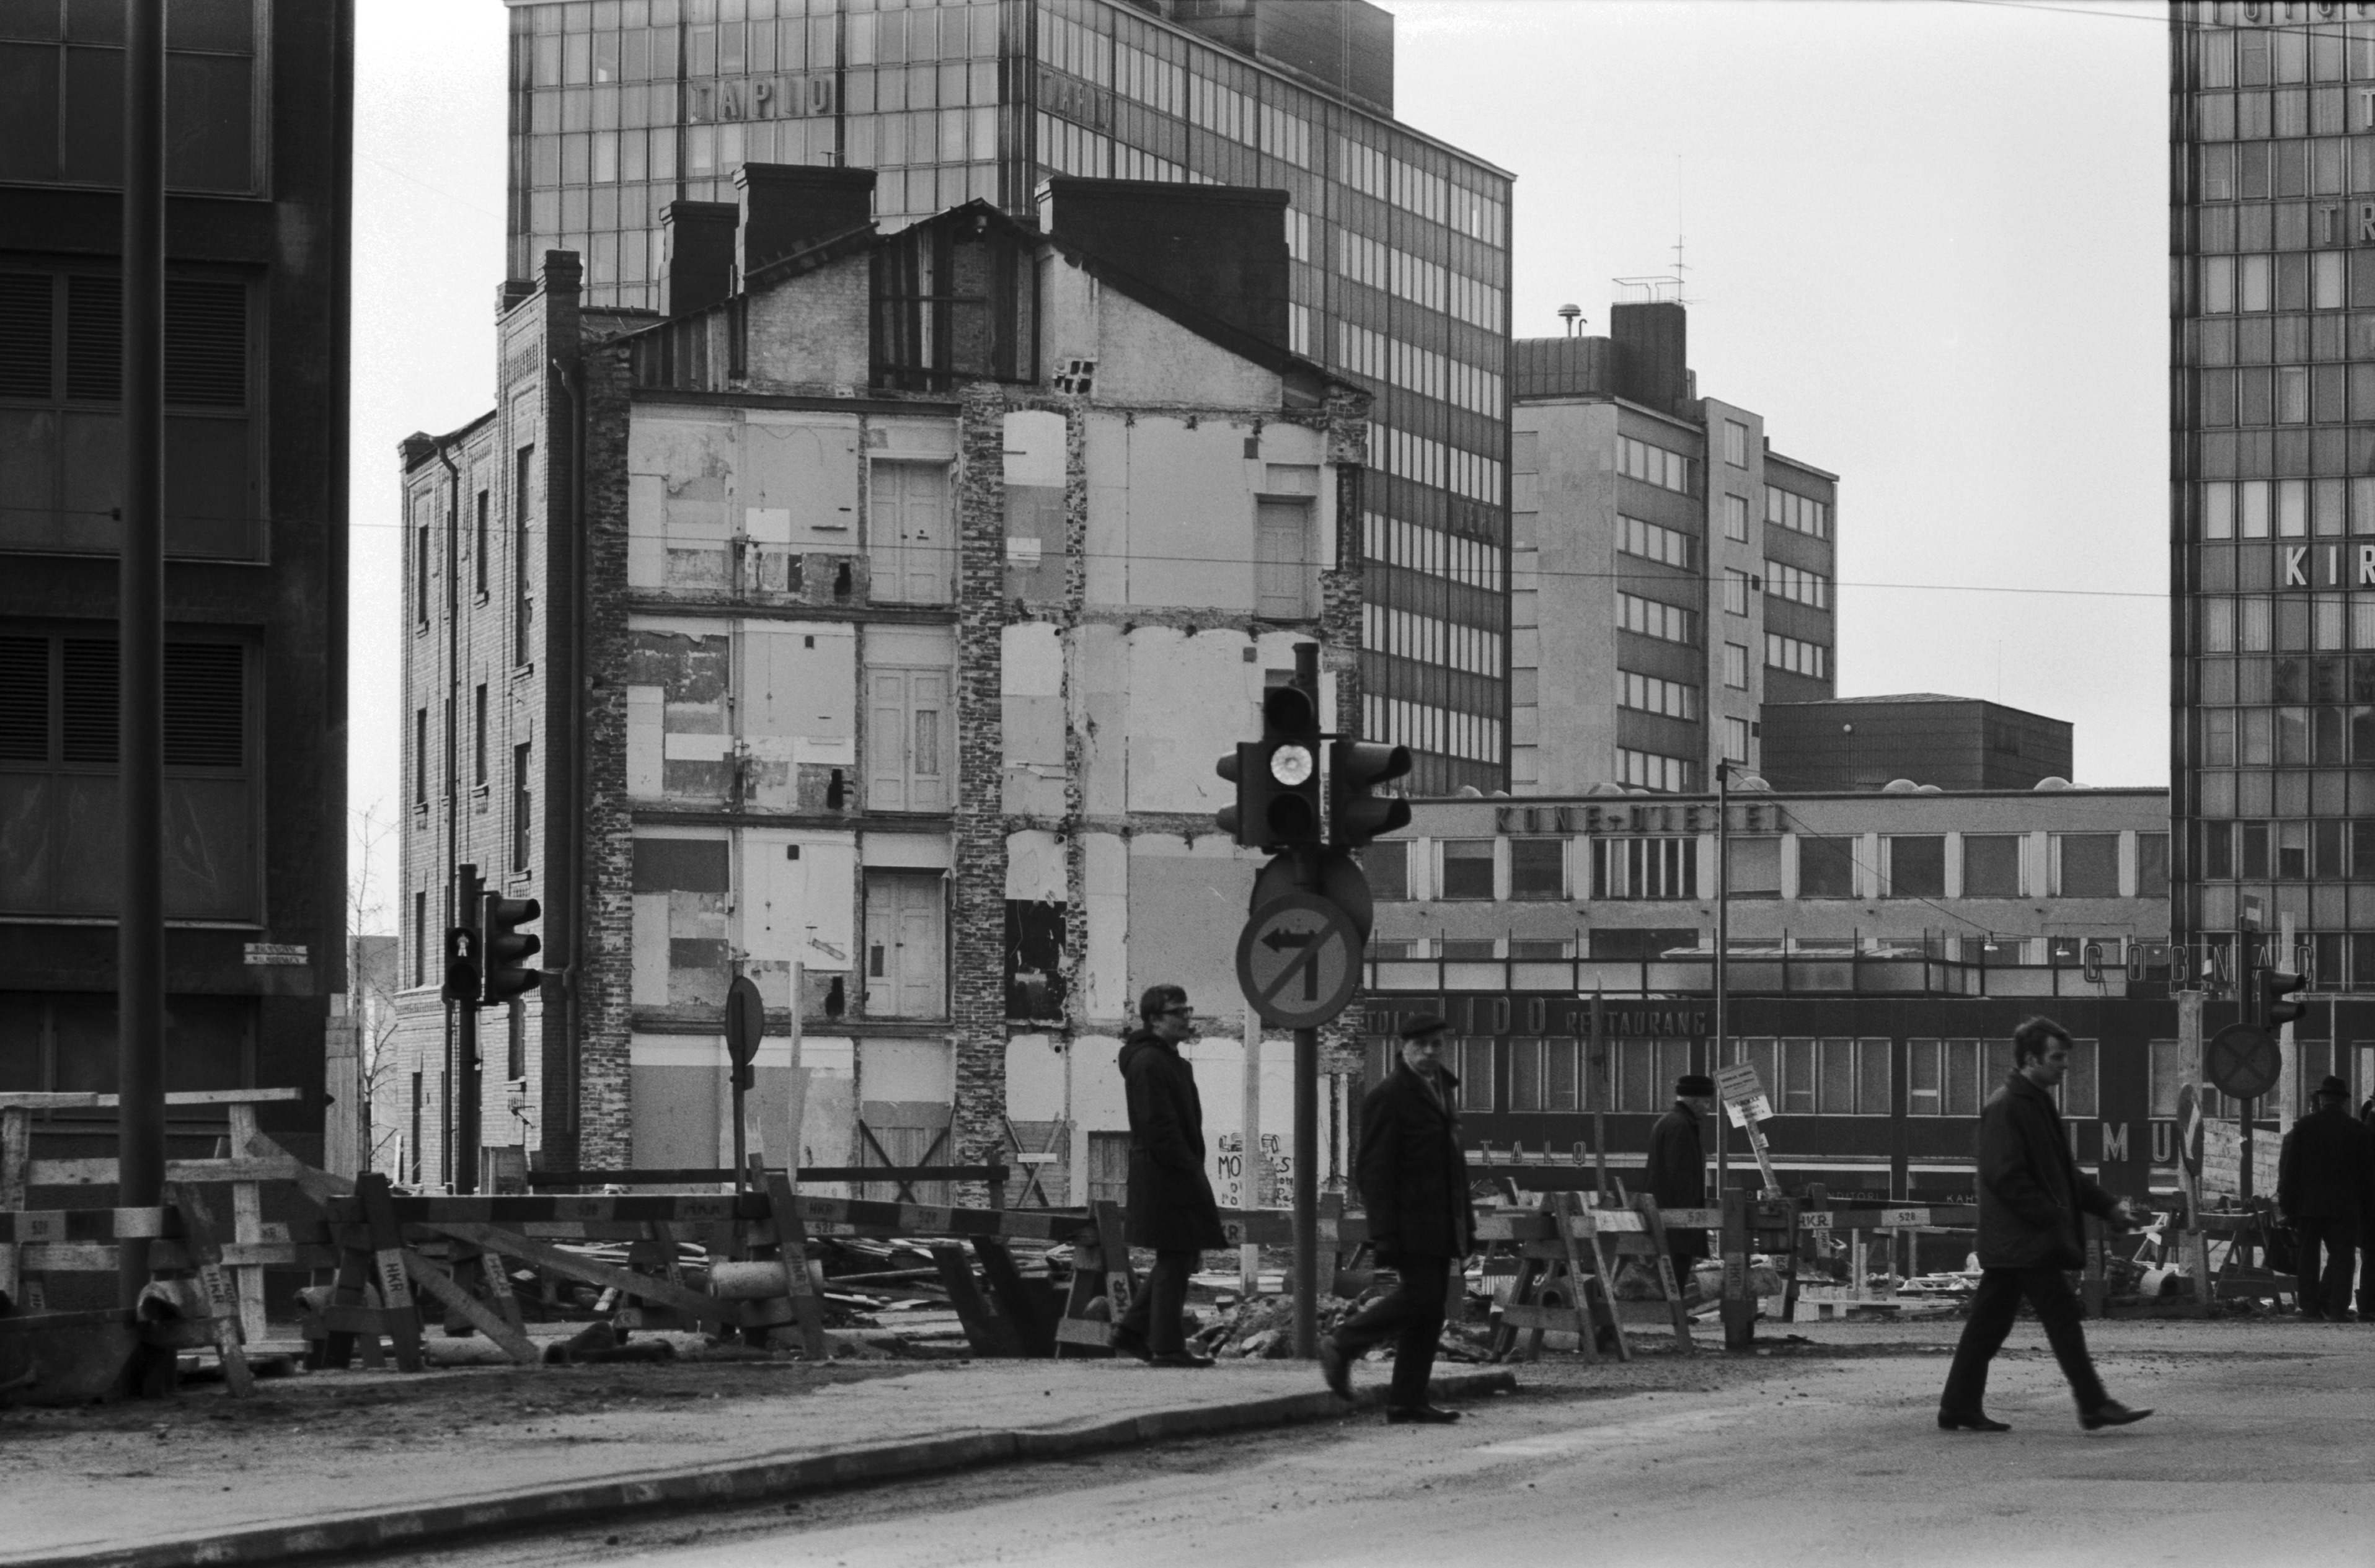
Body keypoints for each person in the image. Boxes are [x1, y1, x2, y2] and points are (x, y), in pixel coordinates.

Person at [1938, 1016, 2151, 1434]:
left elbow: (2063, 1175)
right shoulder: (2008, 1106)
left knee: (1987, 1327)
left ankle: (1958, 1405)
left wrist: (2107, 1207)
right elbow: (2005, 1177)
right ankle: (2092, 1405)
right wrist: (2052, 1216)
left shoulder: (2032, 1102)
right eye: (2056, 1058)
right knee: (2060, 1317)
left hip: (2018, 1241)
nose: (2064, 1067)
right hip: (2024, 1240)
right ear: (2031, 1059)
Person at [1321, 1014, 1477, 1424]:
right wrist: (1384, 1232)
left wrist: (1467, 1227)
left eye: (1436, 1044)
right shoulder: (1389, 1096)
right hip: (1410, 1224)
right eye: (1420, 1044)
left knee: (1429, 1311)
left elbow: (1453, 1170)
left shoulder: (1441, 1092)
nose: (1429, 1052)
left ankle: (1407, 1400)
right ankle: (1343, 1342)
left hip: (1440, 1223)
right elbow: (1372, 1170)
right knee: (1421, 1298)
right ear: (1402, 1047)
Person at [1110, 984, 1228, 1368]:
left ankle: (1132, 1332)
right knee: (1177, 1253)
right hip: (1166, 1173)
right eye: (1179, 1012)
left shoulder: (1170, 1061)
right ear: (1155, 1020)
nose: (1187, 1018)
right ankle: (1165, 1346)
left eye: (1187, 1010)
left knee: (1176, 1254)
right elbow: (1158, 1125)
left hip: (1172, 1170)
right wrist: (1189, 1167)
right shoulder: (1149, 1062)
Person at [2278, 1073, 2375, 1322]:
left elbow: (2292, 1170)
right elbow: (2367, 1174)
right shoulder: (2357, 1129)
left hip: (2309, 1207)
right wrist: (2366, 1208)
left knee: (2308, 1257)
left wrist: (2288, 1206)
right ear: (2342, 1101)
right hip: (2345, 1208)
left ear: (2322, 1099)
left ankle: (2310, 1309)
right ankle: (2338, 1310)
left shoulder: (2304, 1127)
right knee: (2343, 1258)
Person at [1647, 1073, 1716, 1294]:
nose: (1708, 1108)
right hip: (1677, 1216)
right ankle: (1673, 1313)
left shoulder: (1670, 1122)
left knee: (1671, 1264)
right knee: (1677, 1265)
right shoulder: (1681, 1126)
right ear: (1695, 1101)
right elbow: (1680, 1174)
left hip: (1666, 1209)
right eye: (1706, 1102)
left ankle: (1673, 1310)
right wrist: (1690, 1215)